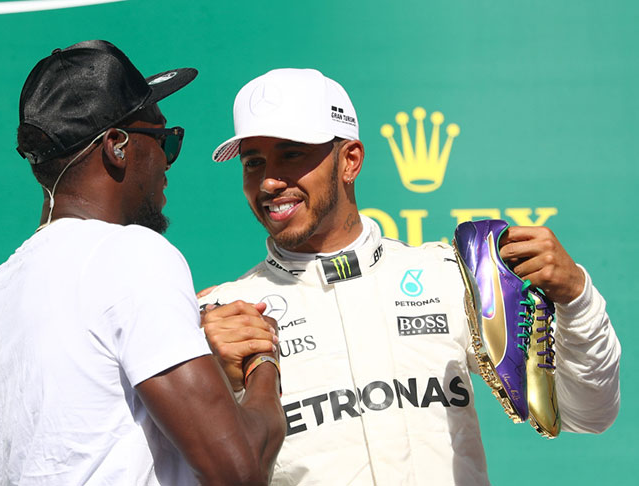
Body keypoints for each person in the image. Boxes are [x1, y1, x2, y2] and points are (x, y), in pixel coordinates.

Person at [198, 68, 621, 485]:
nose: (269, 181)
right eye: (253, 163)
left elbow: (587, 413)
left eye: (291, 154)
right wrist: (210, 378)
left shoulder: (449, 276)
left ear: (349, 161)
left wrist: (576, 298)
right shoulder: (223, 316)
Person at [0, 40, 285, 486]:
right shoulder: (131, 254)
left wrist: (197, 347)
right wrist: (262, 359)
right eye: (163, 140)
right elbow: (239, 469)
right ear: (116, 145)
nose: (168, 162)